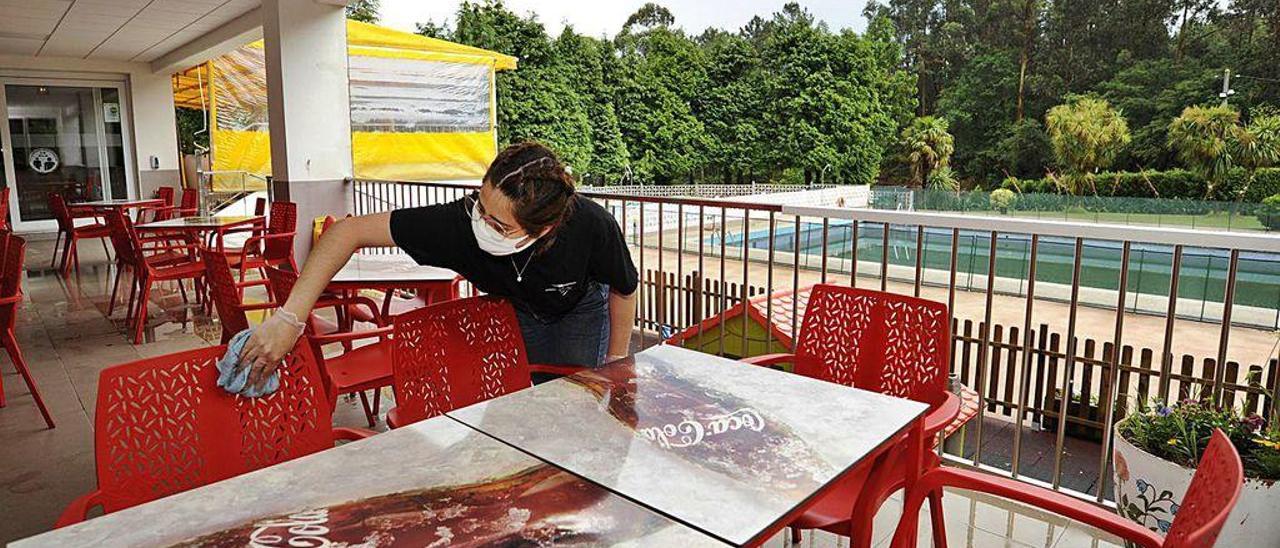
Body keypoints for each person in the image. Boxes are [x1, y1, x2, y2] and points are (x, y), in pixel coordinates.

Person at [237, 142, 639, 388]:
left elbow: (624, 287)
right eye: (481, 205)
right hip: (517, 308)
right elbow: (347, 232)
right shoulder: (458, 225)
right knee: (522, 395)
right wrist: (289, 318)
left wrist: (619, 360)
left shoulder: (589, 224)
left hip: (579, 310)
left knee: (581, 392)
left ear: (543, 228)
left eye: (499, 223)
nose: (481, 223)